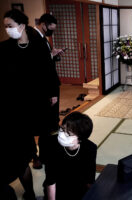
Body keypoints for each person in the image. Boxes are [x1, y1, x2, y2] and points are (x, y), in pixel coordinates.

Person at [0, 9, 51, 200]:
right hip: (10, 105)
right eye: (5, 26)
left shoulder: (38, 45)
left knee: (32, 137)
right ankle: (31, 158)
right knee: (19, 147)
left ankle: (35, 158)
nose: (7, 29)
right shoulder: (4, 48)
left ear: (22, 26)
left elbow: (47, 73)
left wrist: (51, 94)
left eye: (10, 26)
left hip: (33, 102)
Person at [31, 13, 62, 169]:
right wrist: (51, 94)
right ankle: (40, 156)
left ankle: (48, 151)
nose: (52, 32)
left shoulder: (43, 39)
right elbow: (39, 68)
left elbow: (45, 62)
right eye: (51, 28)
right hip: (44, 89)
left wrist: (53, 54)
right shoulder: (33, 39)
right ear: (43, 24)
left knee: (51, 122)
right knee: (45, 123)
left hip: (50, 86)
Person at [44, 111, 97, 200]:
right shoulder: (51, 145)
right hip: (58, 188)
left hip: (79, 188)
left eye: (68, 134)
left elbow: (90, 179)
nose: (62, 135)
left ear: (80, 139)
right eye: (62, 129)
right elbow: (51, 181)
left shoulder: (90, 148)